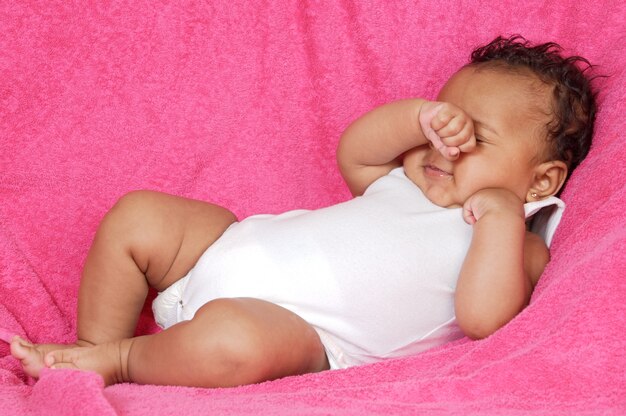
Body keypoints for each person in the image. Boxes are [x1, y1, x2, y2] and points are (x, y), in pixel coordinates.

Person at [10, 35, 597, 388]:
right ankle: (91, 346)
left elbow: (486, 319)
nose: (447, 146)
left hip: (294, 331)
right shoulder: (406, 176)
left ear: (539, 180)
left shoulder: (519, 237)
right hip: (226, 247)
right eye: (445, 122)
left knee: (232, 342)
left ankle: (120, 361)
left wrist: (496, 216)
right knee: (139, 216)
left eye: (476, 139)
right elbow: (355, 150)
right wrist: (417, 118)